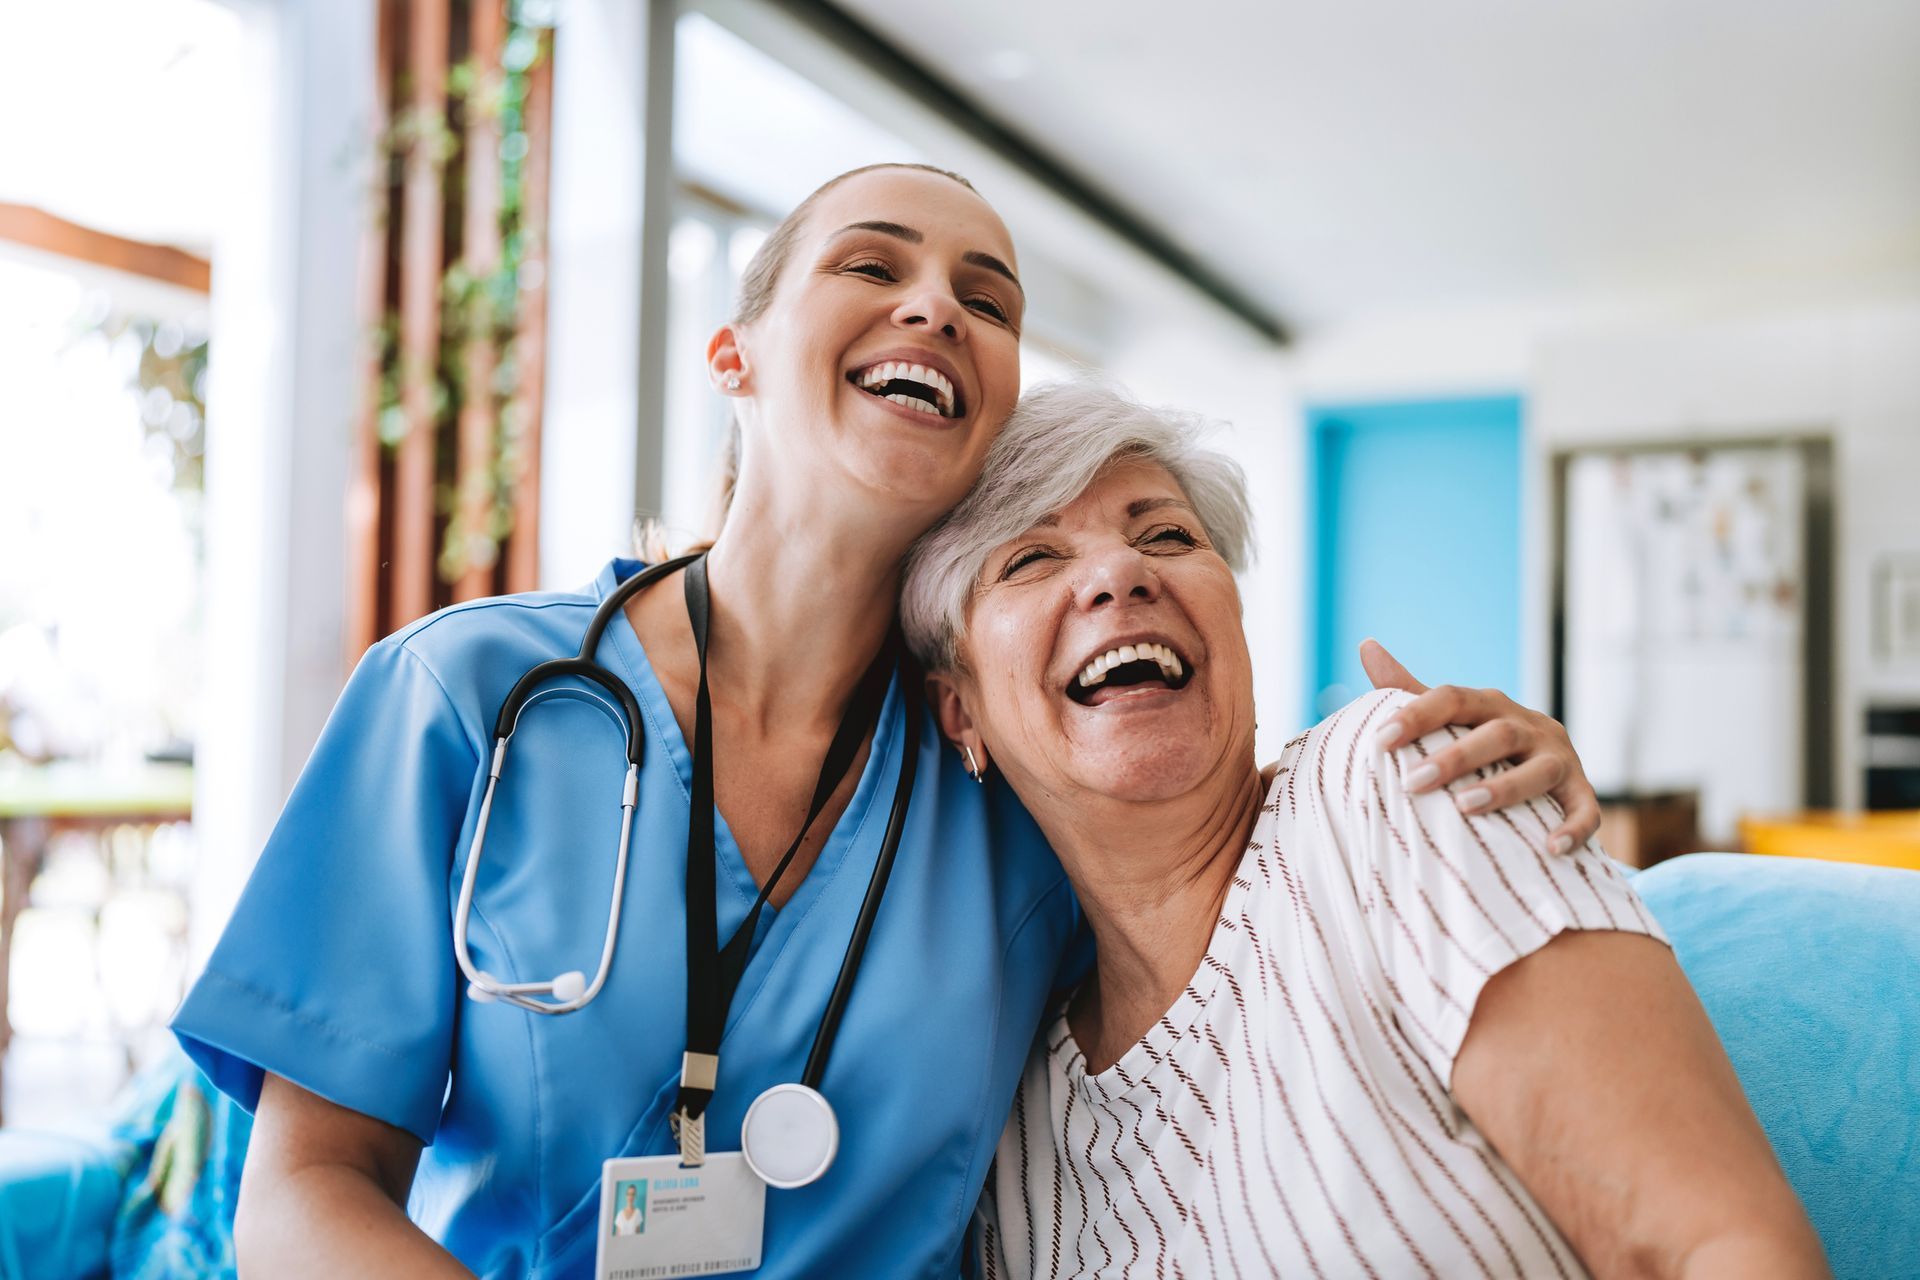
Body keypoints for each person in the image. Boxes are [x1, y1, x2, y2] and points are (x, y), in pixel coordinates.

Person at [173, 164, 1610, 1278]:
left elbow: (1222, 855)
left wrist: (1445, 774)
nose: (939, 307)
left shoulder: (1001, 772)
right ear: (733, 354)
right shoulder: (464, 697)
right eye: (876, 265)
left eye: (988, 302)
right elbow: (300, 1194)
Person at [903, 379, 1830, 1279]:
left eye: (1167, 535)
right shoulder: (1006, 1109)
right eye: (1032, 559)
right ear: (960, 712)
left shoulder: (1394, 778)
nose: (1120, 572)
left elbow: (1713, 1247)